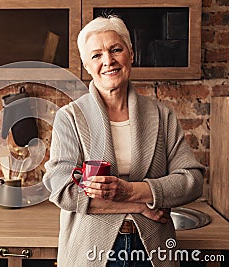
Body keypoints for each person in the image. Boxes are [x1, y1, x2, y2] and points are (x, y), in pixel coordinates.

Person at [43, 15, 204, 267]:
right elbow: (64, 190)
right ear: (86, 65)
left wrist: (131, 191)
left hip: (152, 251)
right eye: (96, 55)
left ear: (131, 54)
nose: (108, 61)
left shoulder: (162, 115)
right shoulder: (71, 118)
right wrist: (138, 205)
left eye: (115, 49)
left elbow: (191, 180)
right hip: (91, 251)